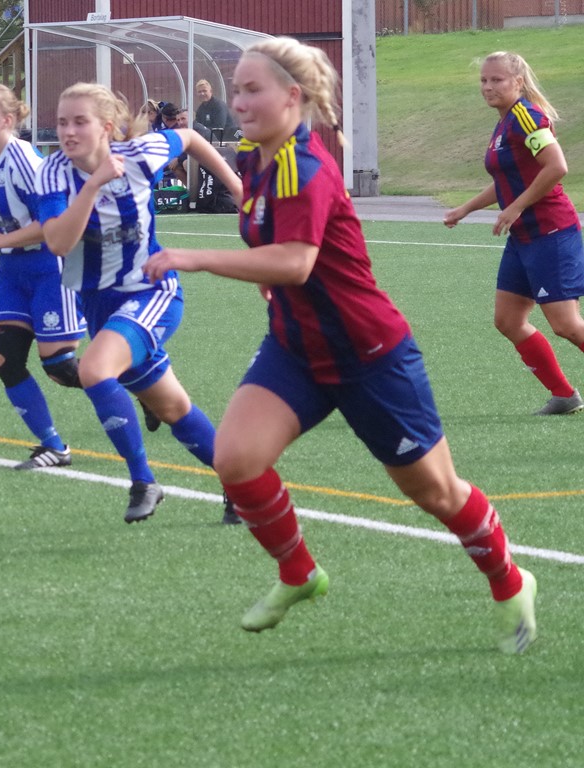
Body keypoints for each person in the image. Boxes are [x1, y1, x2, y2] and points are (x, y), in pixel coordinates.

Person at [142, 37, 537, 654]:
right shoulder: (253, 156)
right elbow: (269, 244)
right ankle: (299, 573)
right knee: (236, 460)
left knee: (436, 492)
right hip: (296, 348)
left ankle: (511, 581)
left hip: (369, 353)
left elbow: (296, 262)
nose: (239, 101)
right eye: (237, 88)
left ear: (292, 97)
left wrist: (191, 256)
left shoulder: (307, 165)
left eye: (253, 89)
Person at [36, 82, 244, 524]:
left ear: (107, 128)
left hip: (151, 292)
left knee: (92, 369)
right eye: (61, 121)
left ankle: (143, 480)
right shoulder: (55, 171)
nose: (67, 131)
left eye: (80, 122)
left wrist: (237, 185)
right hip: (99, 304)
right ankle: (242, 488)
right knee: (173, 409)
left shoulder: (141, 154)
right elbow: (57, 242)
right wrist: (92, 185)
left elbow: (190, 138)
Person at [443, 51, 584, 416]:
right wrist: (466, 209)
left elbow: (556, 167)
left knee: (566, 325)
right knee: (508, 321)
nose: (488, 87)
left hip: (550, 231)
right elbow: (507, 180)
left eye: (497, 80)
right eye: (484, 81)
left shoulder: (525, 116)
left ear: (517, 83)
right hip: (523, 238)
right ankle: (564, 395)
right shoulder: (505, 122)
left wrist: (517, 206)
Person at [0, 83, 87, 469]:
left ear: (8, 120)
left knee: (60, 367)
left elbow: (53, 225)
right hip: (12, 271)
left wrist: (0, 240)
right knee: (5, 359)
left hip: (51, 267)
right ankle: (54, 447)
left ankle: (141, 384)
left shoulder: (27, 162)